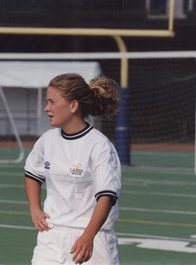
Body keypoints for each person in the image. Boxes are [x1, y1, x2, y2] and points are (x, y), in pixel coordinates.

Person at [24, 73, 122, 265]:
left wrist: (88, 236)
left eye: (52, 102)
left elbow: (106, 196)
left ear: (73, 105)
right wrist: (35, 209)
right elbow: (32, 174)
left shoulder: (99, 145)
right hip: (51, 238)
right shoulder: (47, 140)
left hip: (93, 240)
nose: (47, 108)